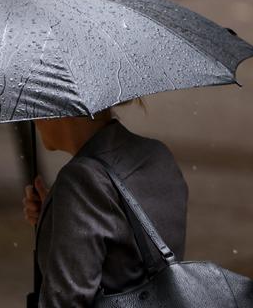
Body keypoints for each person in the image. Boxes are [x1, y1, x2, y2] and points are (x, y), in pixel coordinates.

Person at [22, 100, 189, 307]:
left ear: (60, 106)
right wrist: (58, 217)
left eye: (36, 103)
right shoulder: (157, 155)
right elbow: (134, 255)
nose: (31, 117)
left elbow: (65, 301)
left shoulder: (79, 180)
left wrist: (69, 204)